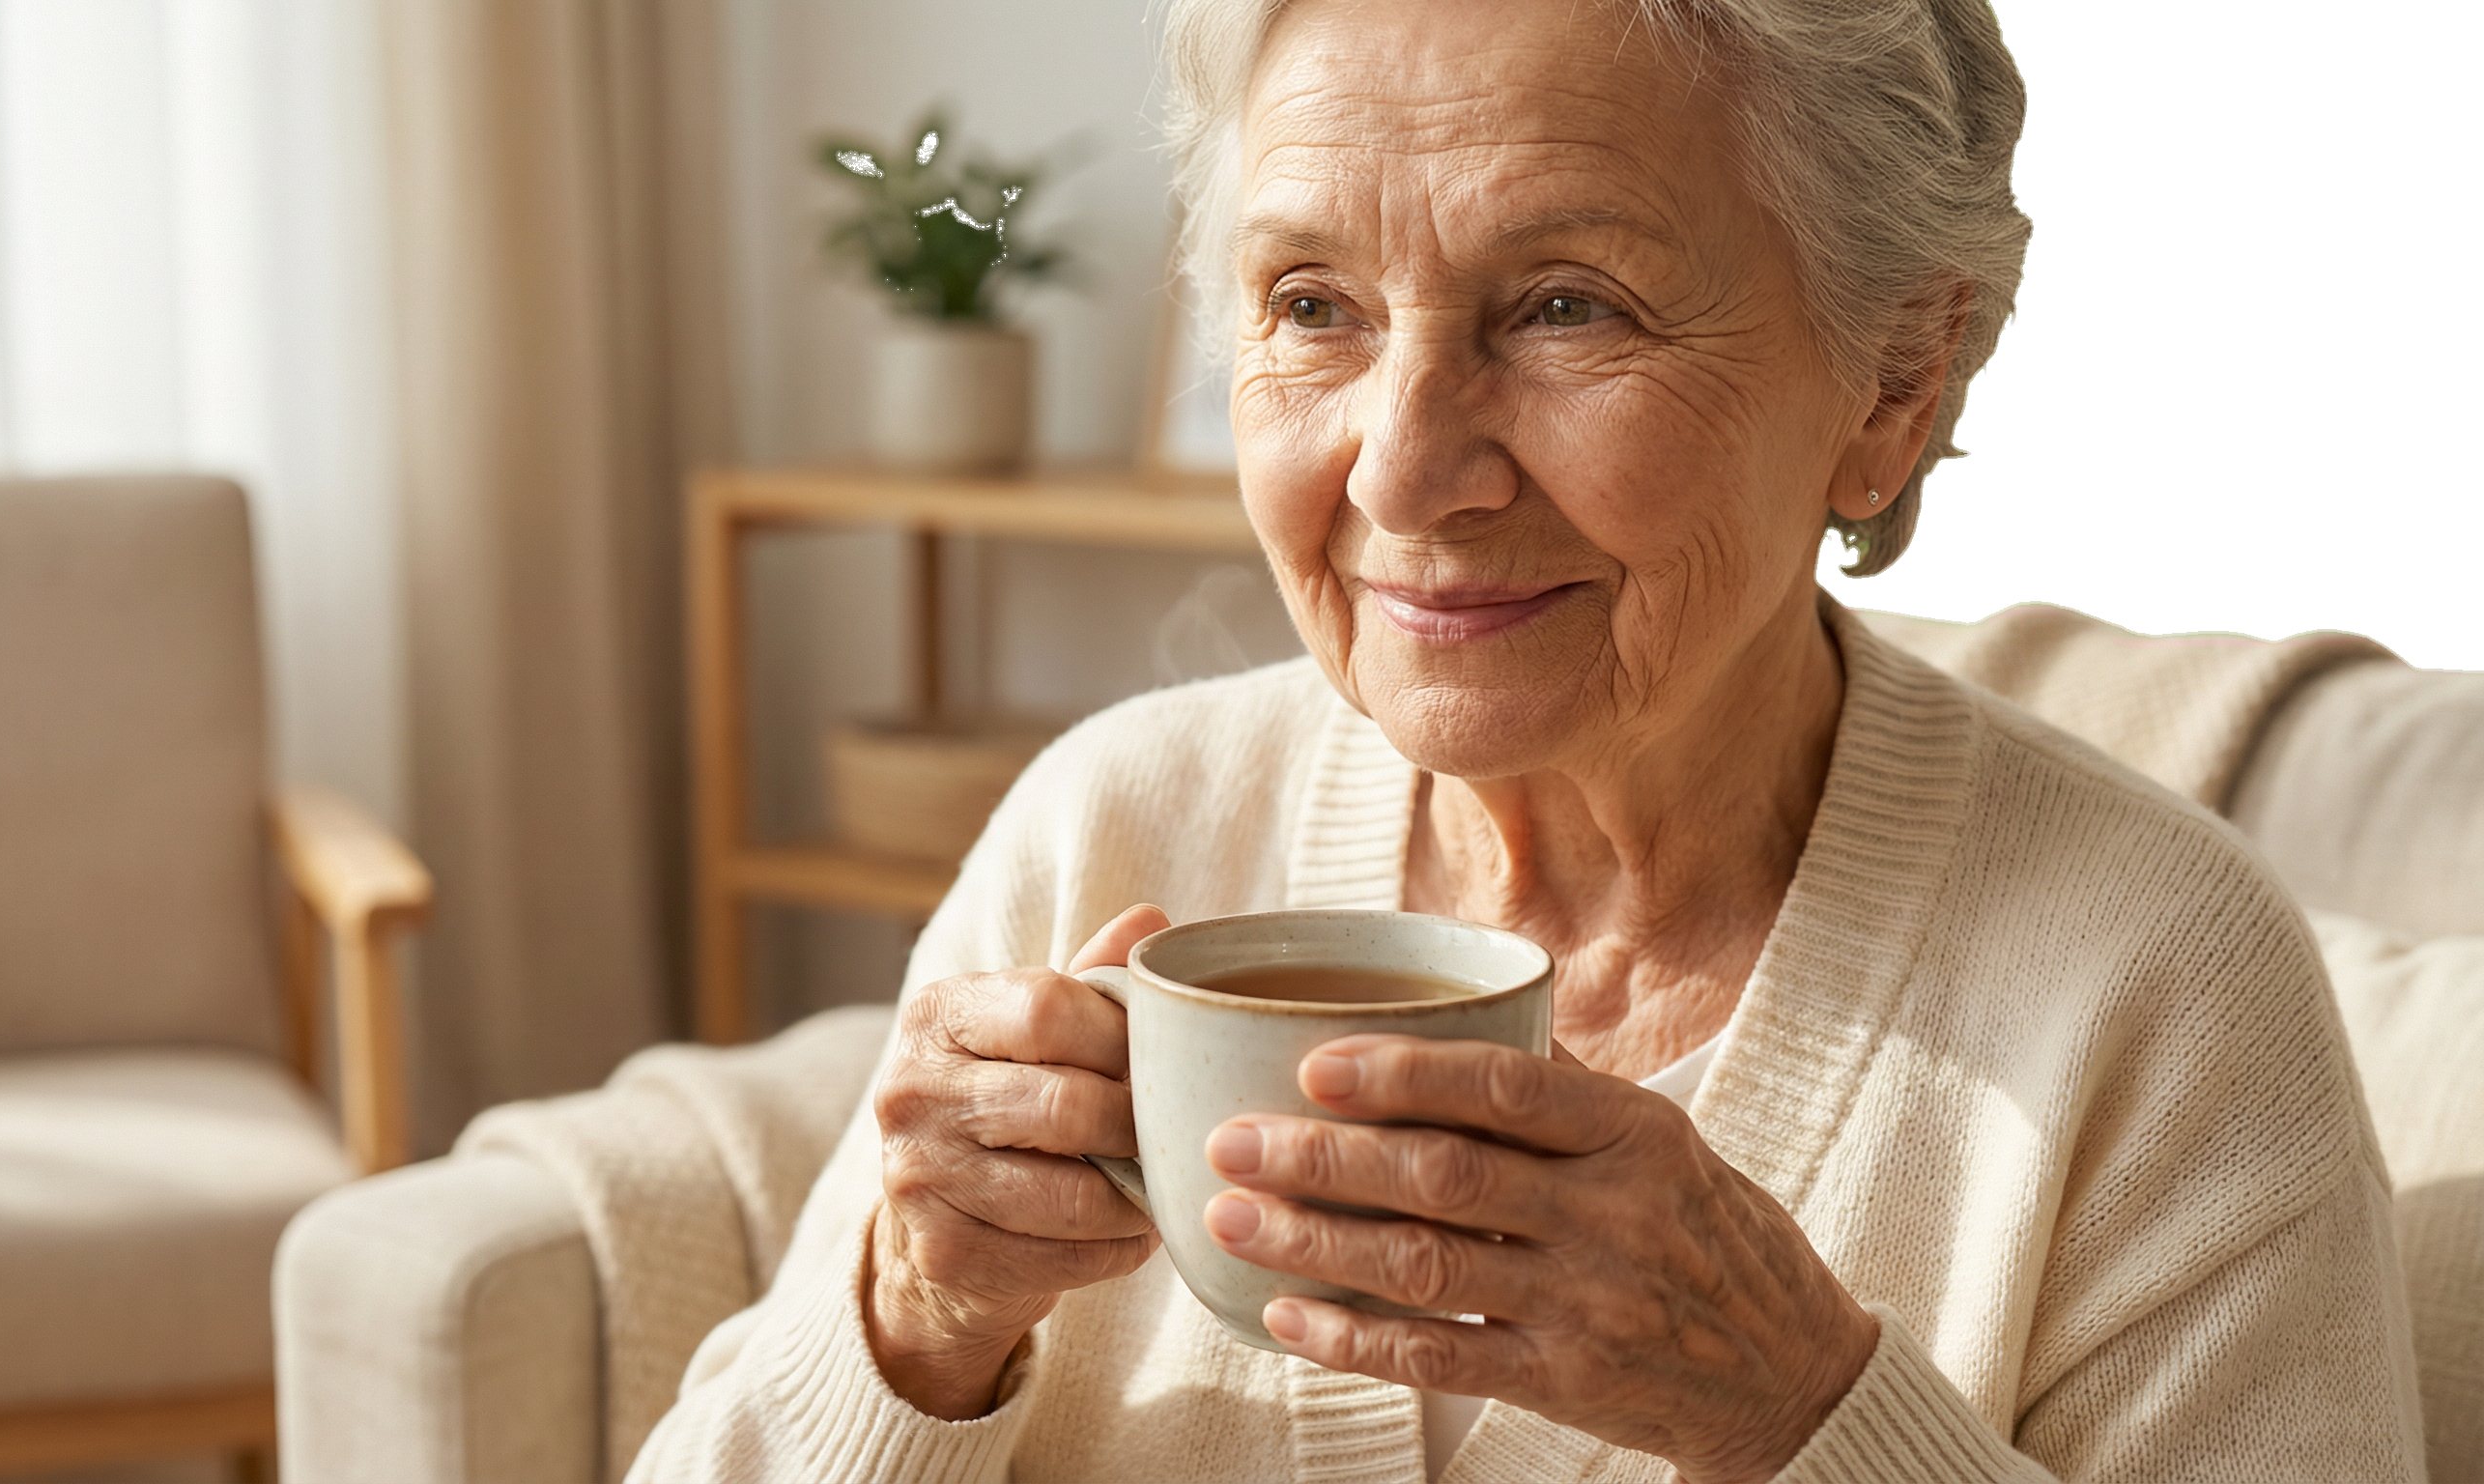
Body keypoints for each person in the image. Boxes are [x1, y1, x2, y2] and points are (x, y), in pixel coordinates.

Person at [633, 0, 2426, 1478]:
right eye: (1311, 306)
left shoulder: (2160, 991)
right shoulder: (1116, 827)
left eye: (1569, 305)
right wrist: (913, 1327)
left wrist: (1802, 1416)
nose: (1405, 470)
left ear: (1896, 378)